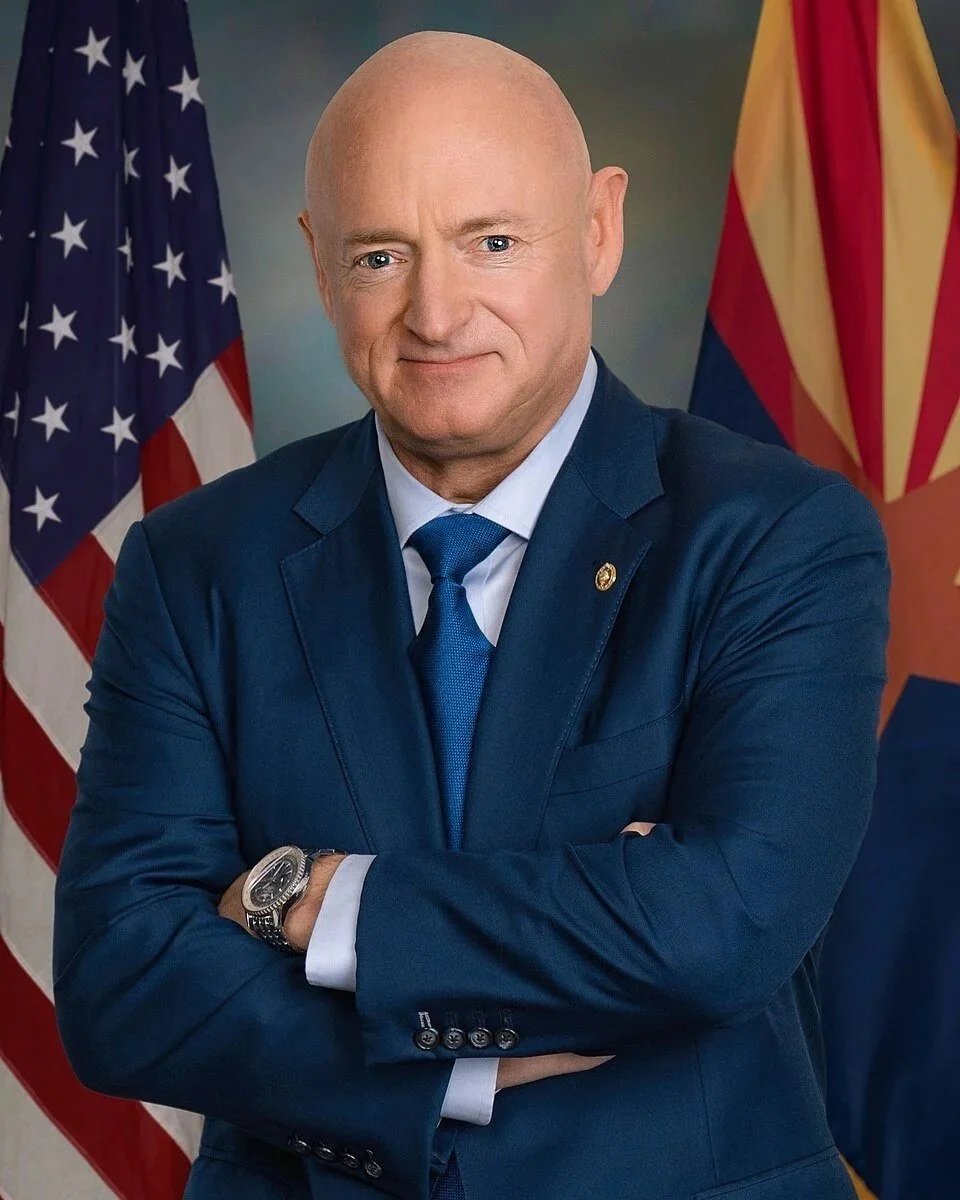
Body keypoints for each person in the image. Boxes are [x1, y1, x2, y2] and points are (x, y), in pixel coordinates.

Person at [52, 29, 890, 1200]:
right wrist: (461, 1069)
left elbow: (721, 927)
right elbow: (121, 983)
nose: (437, 313)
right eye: (382, 255)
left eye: (491, 242)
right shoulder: (194, 563)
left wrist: (317, 896)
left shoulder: (778, 538)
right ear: (317, 260)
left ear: (598, 231)